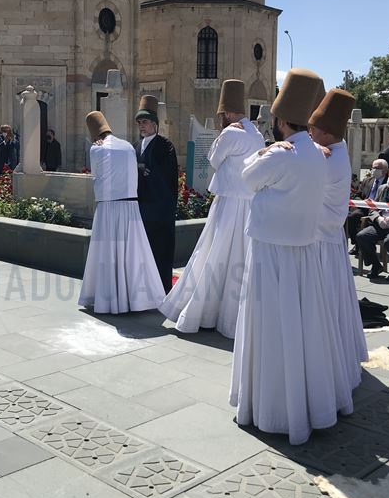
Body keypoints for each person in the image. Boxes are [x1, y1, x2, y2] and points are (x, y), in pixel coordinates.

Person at [230, 68, 352, 446]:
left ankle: (271, 406)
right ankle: (308, 404)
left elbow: (246, 180)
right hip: (302, 251)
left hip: (269, 250)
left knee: (270, 328)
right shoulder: (319, 154)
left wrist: (266, 151)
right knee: (302, 328)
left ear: (281, 121)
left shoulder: (282, 154)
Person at [159, 79, 264, 338]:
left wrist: (224, 134)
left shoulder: (230, 133)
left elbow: (213, 159)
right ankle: (234, 317)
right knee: (240, 259)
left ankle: (204, 311)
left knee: (213, 255)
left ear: (226, 113)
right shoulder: (257, 134)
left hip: (227, 202)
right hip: (250, 204)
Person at [309, 88, 369, 390]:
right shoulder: (336, 151)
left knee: (325, 305)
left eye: (313, 130)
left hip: (321, 240)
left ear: (327, 132)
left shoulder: (329, 159)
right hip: (329, 239)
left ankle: (326, 355)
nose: (310, 134)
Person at [78, 111, 165, 314]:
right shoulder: (127, 146)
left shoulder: (95, 149)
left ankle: (109, 299)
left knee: (108, 253)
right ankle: (138, 298)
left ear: (93, 134)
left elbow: (96, 178)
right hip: (131, 207)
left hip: (108, 207)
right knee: (133, 253)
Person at [134, 95, 179, 293]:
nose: (141, 126)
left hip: (159, 212)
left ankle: (160, 291)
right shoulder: (136, 147)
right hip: (141, 210)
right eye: (139, 122)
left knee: (159, 252)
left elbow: (166, 177)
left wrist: (144, 170)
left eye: (145, 122)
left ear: (154, 124)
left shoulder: (165, 146)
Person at [346, 158, 389, 255]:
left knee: (369, 222)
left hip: (378, 210)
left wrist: (376, 203)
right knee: (351, 217)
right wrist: (363, 202)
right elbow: (356, 195)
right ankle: (356, 243)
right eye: (373, 168)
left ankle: (364, 245)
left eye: (378, 168)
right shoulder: (367, 181)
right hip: (364, 207)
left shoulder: (388, 183)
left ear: (385, 169)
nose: (374, 170)